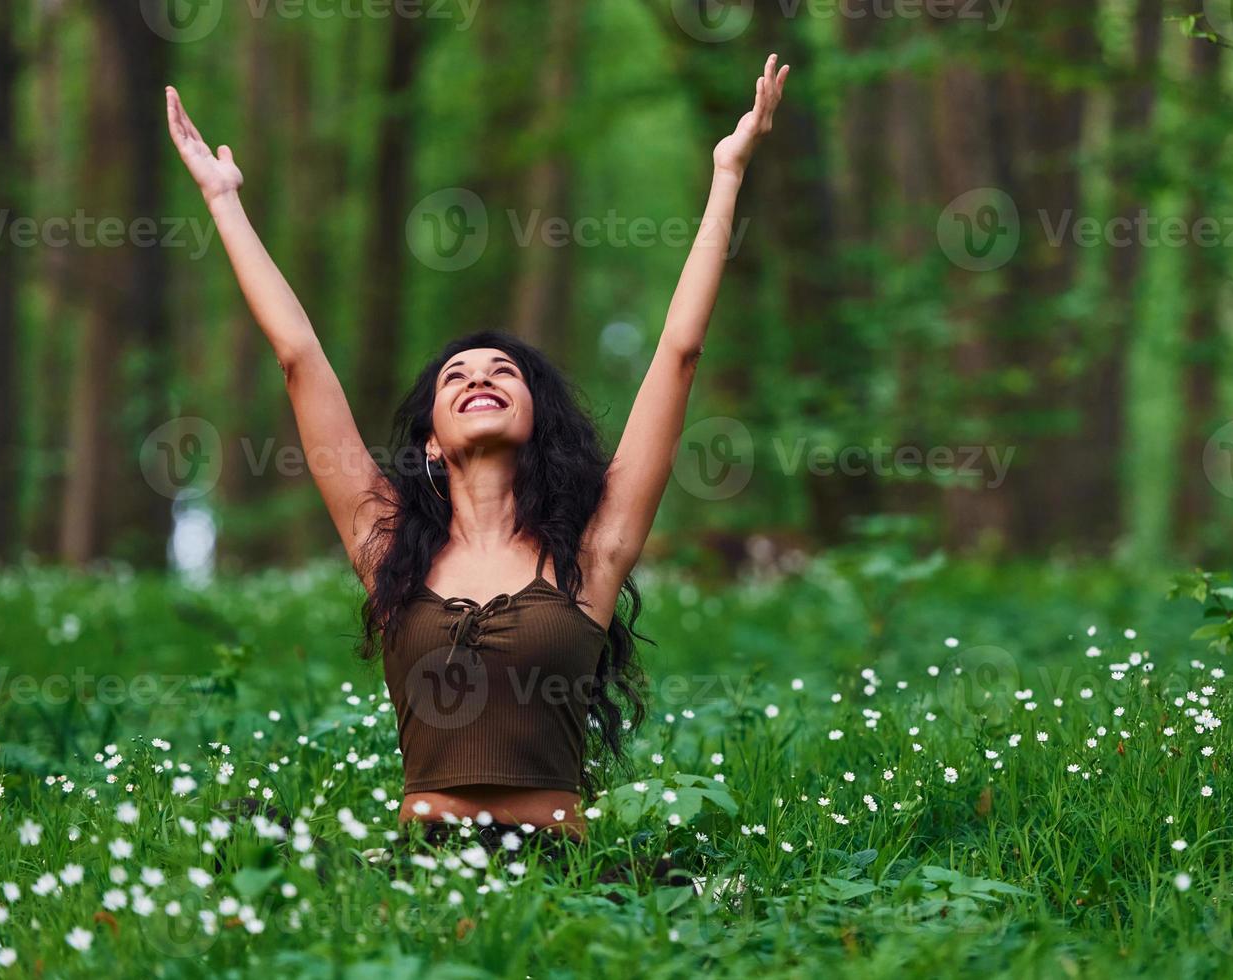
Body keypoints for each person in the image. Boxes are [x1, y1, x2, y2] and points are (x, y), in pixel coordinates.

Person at [165, 55, 789, 852]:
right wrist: (224, 203)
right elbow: (299, 358)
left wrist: (726, 177)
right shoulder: (387, 548)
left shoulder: (591, 554)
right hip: (421, 872)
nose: (479, 378)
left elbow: (678, 353)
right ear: (430, 437)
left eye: (504, 372)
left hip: (562, 876)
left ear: (538, 418)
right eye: (456, 376)